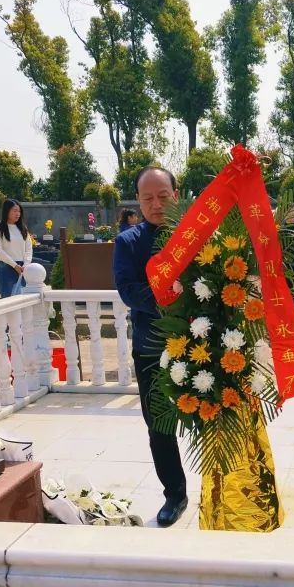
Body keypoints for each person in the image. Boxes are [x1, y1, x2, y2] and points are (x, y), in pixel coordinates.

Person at [112, 167, 188, 527]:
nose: (156, 204)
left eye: (163, 196)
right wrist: (175, 301)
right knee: (159, 425)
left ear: (176, 194)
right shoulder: (128, 242)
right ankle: (175, 494)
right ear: (138, 202)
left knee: (216, 415)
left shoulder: (197, 235)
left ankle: (223, 488)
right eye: (147, 198)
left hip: (202, 345)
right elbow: (129, 291)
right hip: (152, 348)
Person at [0, 198, 32, 298]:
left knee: (23, 300)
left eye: (19, 211)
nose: (18, 214)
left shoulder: (22, 228)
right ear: (7, 211)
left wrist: (26, 265)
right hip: (6, 268)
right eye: (15, 211)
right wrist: (15, 265)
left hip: (23, 269)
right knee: (9, 300)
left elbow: (29, 248)